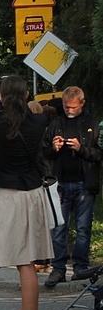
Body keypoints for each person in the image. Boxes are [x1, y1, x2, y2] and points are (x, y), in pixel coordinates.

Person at [0, 74, 53, 310]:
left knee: (23, 262)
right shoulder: (39, 121)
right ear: (26, 95)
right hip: (32, 194)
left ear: (3, 96)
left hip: (11, 196)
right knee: (25, 261)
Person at [42, 86, 101, 287]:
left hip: (84, 182)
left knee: (83, 228)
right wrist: (54, 148)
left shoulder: (92, 124)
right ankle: (58, 268)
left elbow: (98, 153)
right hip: (60, 182)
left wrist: (81, 148)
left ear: (82, 104)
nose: (69, 110)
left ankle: (80, 267)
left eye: (73, 107)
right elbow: (44, 152)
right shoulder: (56, 124)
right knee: (59, 226)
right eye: (66, 107)